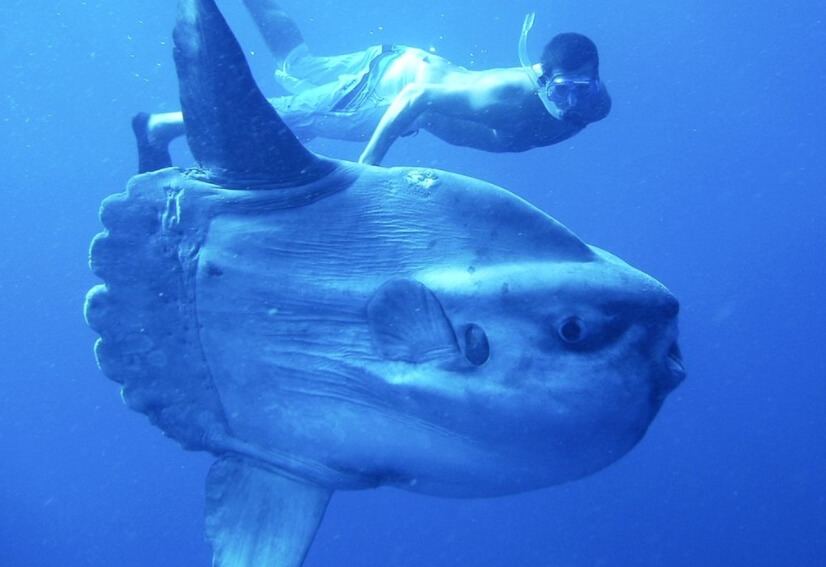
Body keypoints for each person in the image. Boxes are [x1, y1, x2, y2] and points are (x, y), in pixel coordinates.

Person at [133, 0, 611, 172]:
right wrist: (368, 170)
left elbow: (585, 104)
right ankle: (160, 126)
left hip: (400, 60)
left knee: (296, 63)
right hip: (389, 90)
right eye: (565, 88)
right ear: (543, 77)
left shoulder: (593, 106)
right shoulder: (505, 96)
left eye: (584, 88)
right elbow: (415, 98)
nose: (573, 101)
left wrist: (584, 97)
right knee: (290, 117)